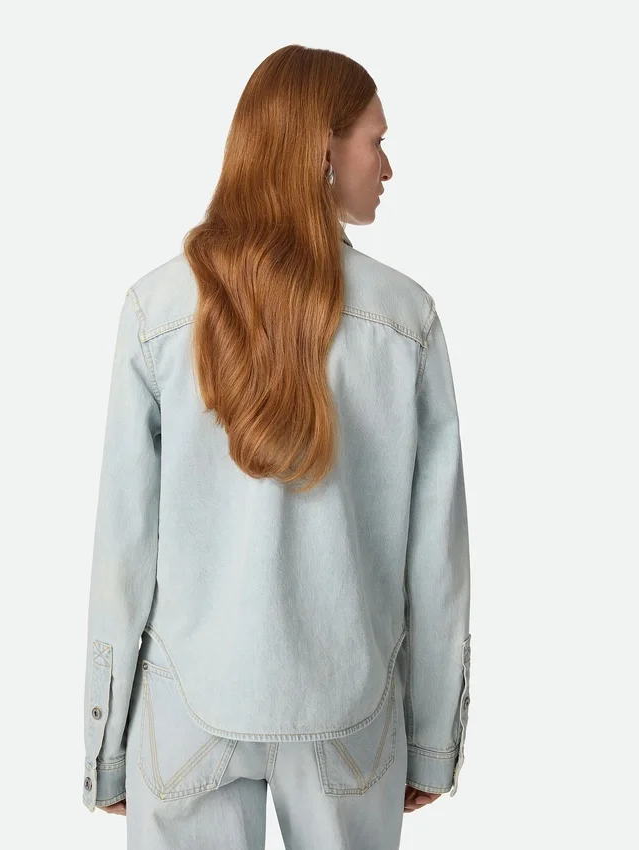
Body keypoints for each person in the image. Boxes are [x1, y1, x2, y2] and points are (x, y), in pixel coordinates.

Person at [81, 44, 471, 849]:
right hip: (351, 714)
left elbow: (123, 546)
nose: (387, 167)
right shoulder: (406, 320)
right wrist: (433, 734)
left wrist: (107, 744)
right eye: (376, 141)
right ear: (323, 148)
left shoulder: (157, 309)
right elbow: (435, 561)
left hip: (186, 710)